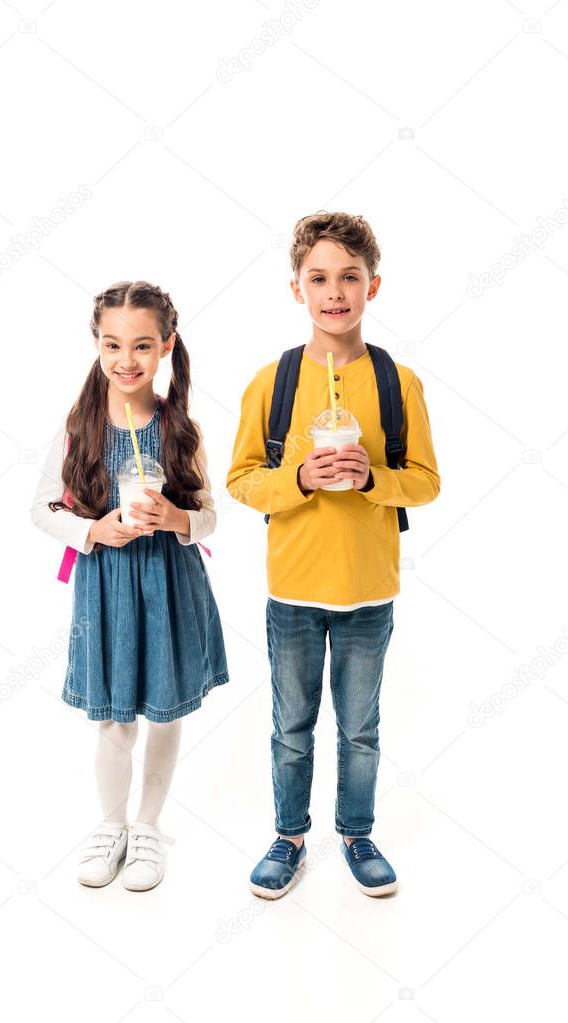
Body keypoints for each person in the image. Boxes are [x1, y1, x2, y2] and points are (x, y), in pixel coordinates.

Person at [226, 212, 440, 899]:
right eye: (318, 277)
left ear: (372, 285)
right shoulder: (271, 381)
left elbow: (427, 481)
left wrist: (374, 477)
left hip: (367, 591)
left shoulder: (398, 382)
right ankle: (289, 835)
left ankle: (355, 831)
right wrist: (298, 479)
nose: (334, 290)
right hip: (291, 589)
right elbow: (240, 478)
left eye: (348, 276)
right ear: (296, 289)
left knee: (361, 729)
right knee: (290, 727)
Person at [30, 280, 229, 891]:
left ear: (166, 346)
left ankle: (148, 828)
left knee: (164, 714)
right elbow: (42, 509)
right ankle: (111, 825)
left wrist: (177, 518)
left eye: (142, 346)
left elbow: (210, 515)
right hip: (107, 586)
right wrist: (93, 530)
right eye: (113, 344)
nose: (127, 360)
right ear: (96, 344)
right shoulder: (78, 427)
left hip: (169, 584)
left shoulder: (179, 428)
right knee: (114, 720)